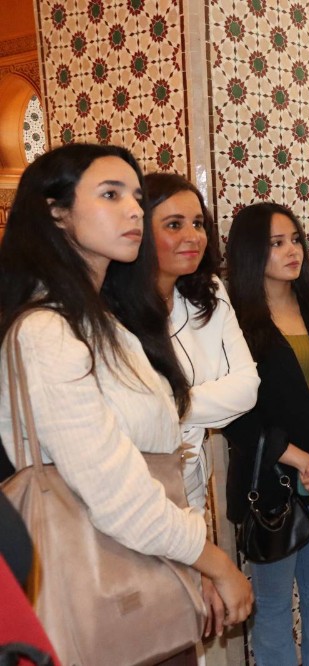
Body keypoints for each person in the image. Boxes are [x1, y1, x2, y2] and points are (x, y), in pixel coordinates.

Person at [0, 144, 254, 652]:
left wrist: (191, 560)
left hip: (151, 567)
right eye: (111, 195)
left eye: (137, 197)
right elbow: (117, 492)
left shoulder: (109, 323)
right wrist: (214, 561)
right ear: (57, 213)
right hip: (101, 585)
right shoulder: (47, 332)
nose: (134, 210)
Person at [223, 202, 309, 666]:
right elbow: (237, 416)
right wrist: (302, 461)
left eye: (295, 239)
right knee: (274, 603)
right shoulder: (234, 324)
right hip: (270, 483)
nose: (292, 250)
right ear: (250, 252)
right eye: (276, 243)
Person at [145, 172, 261, 638]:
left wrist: (169, 405)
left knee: (189, 623)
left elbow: (248, 387)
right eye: (174, 224)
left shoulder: (207, 292)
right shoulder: (110, 309)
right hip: (139, 492)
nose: (192, 235)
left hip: (190, 483)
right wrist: (176, 406)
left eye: (198, 223)